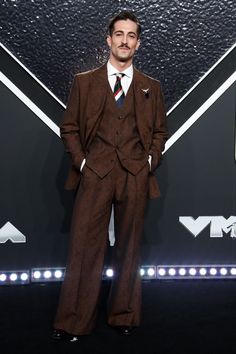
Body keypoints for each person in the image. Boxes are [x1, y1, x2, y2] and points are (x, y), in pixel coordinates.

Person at [52, 10, 168, 342]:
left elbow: (160, 131)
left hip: (134, 174)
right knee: (84, 248)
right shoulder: (84, 82)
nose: (125, 40)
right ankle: (73, 321)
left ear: (138, 44)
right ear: (109, 39)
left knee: (129, 248)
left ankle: (124, 315)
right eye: (119, 34)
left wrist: (149, 161)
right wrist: (84, 163)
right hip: (96, 174)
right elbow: (69, 127)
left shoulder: (151, 88)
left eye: (131, 36)